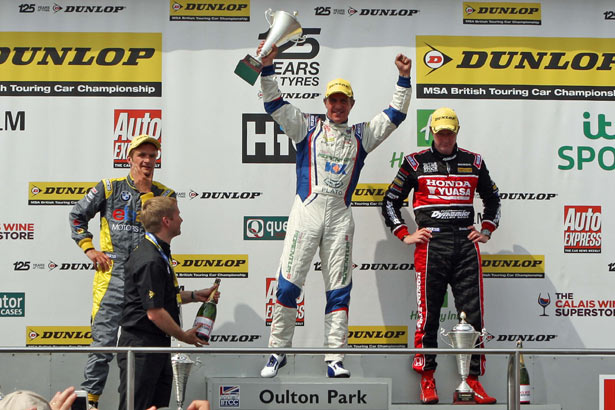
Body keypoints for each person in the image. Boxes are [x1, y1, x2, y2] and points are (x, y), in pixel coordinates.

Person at [257, 42, 412, 378]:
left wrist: (403, 78)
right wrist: (268, 68)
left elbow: (394, 116)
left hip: (341, 216)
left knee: (339, 288)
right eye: (333, 100)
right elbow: (274, 103)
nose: (338, 105)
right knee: (287, 285)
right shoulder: (307, 128)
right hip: (306, 212)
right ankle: (276, 353)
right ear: (325, 103)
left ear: (351, 104)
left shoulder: (361, 136)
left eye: (344, 101)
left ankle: (334, 358)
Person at [381, 107, 501, 404]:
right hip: (431, 243)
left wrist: (486, 228)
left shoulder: (473, 162)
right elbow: (390, 201)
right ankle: (427, 379)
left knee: (473, 316)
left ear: (457, 131)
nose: (445, 138)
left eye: (450, 132)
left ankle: (471, 381)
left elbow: (493, 198)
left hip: (465, 242)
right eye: (440, 132)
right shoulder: (414, 162)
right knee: (428, 315)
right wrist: (403, 234)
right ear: (431, 132)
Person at [68, 134, 175, 408]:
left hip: (146, 278)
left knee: (148, 346)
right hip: (112, 278)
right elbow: (77, 215)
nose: (147, 161)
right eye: (142, 155)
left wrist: (149, 199)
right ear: (130, 158)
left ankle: (145, 403)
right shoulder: (109, 188)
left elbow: (169, 230)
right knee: (102, 345)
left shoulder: (165, 194)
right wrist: (89, 248)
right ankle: (90, 403)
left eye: (152, 156)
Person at [117, 196, 220, 410]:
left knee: (158, 407)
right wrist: (184, 336)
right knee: (138, 407)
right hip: (142, 347)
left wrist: (194, 296)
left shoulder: (158, 252)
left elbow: (159, 297)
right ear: (166, 220)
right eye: (178, 215)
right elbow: (154, 312)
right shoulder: (150, 259)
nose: (181, 219)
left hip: (156, 346)